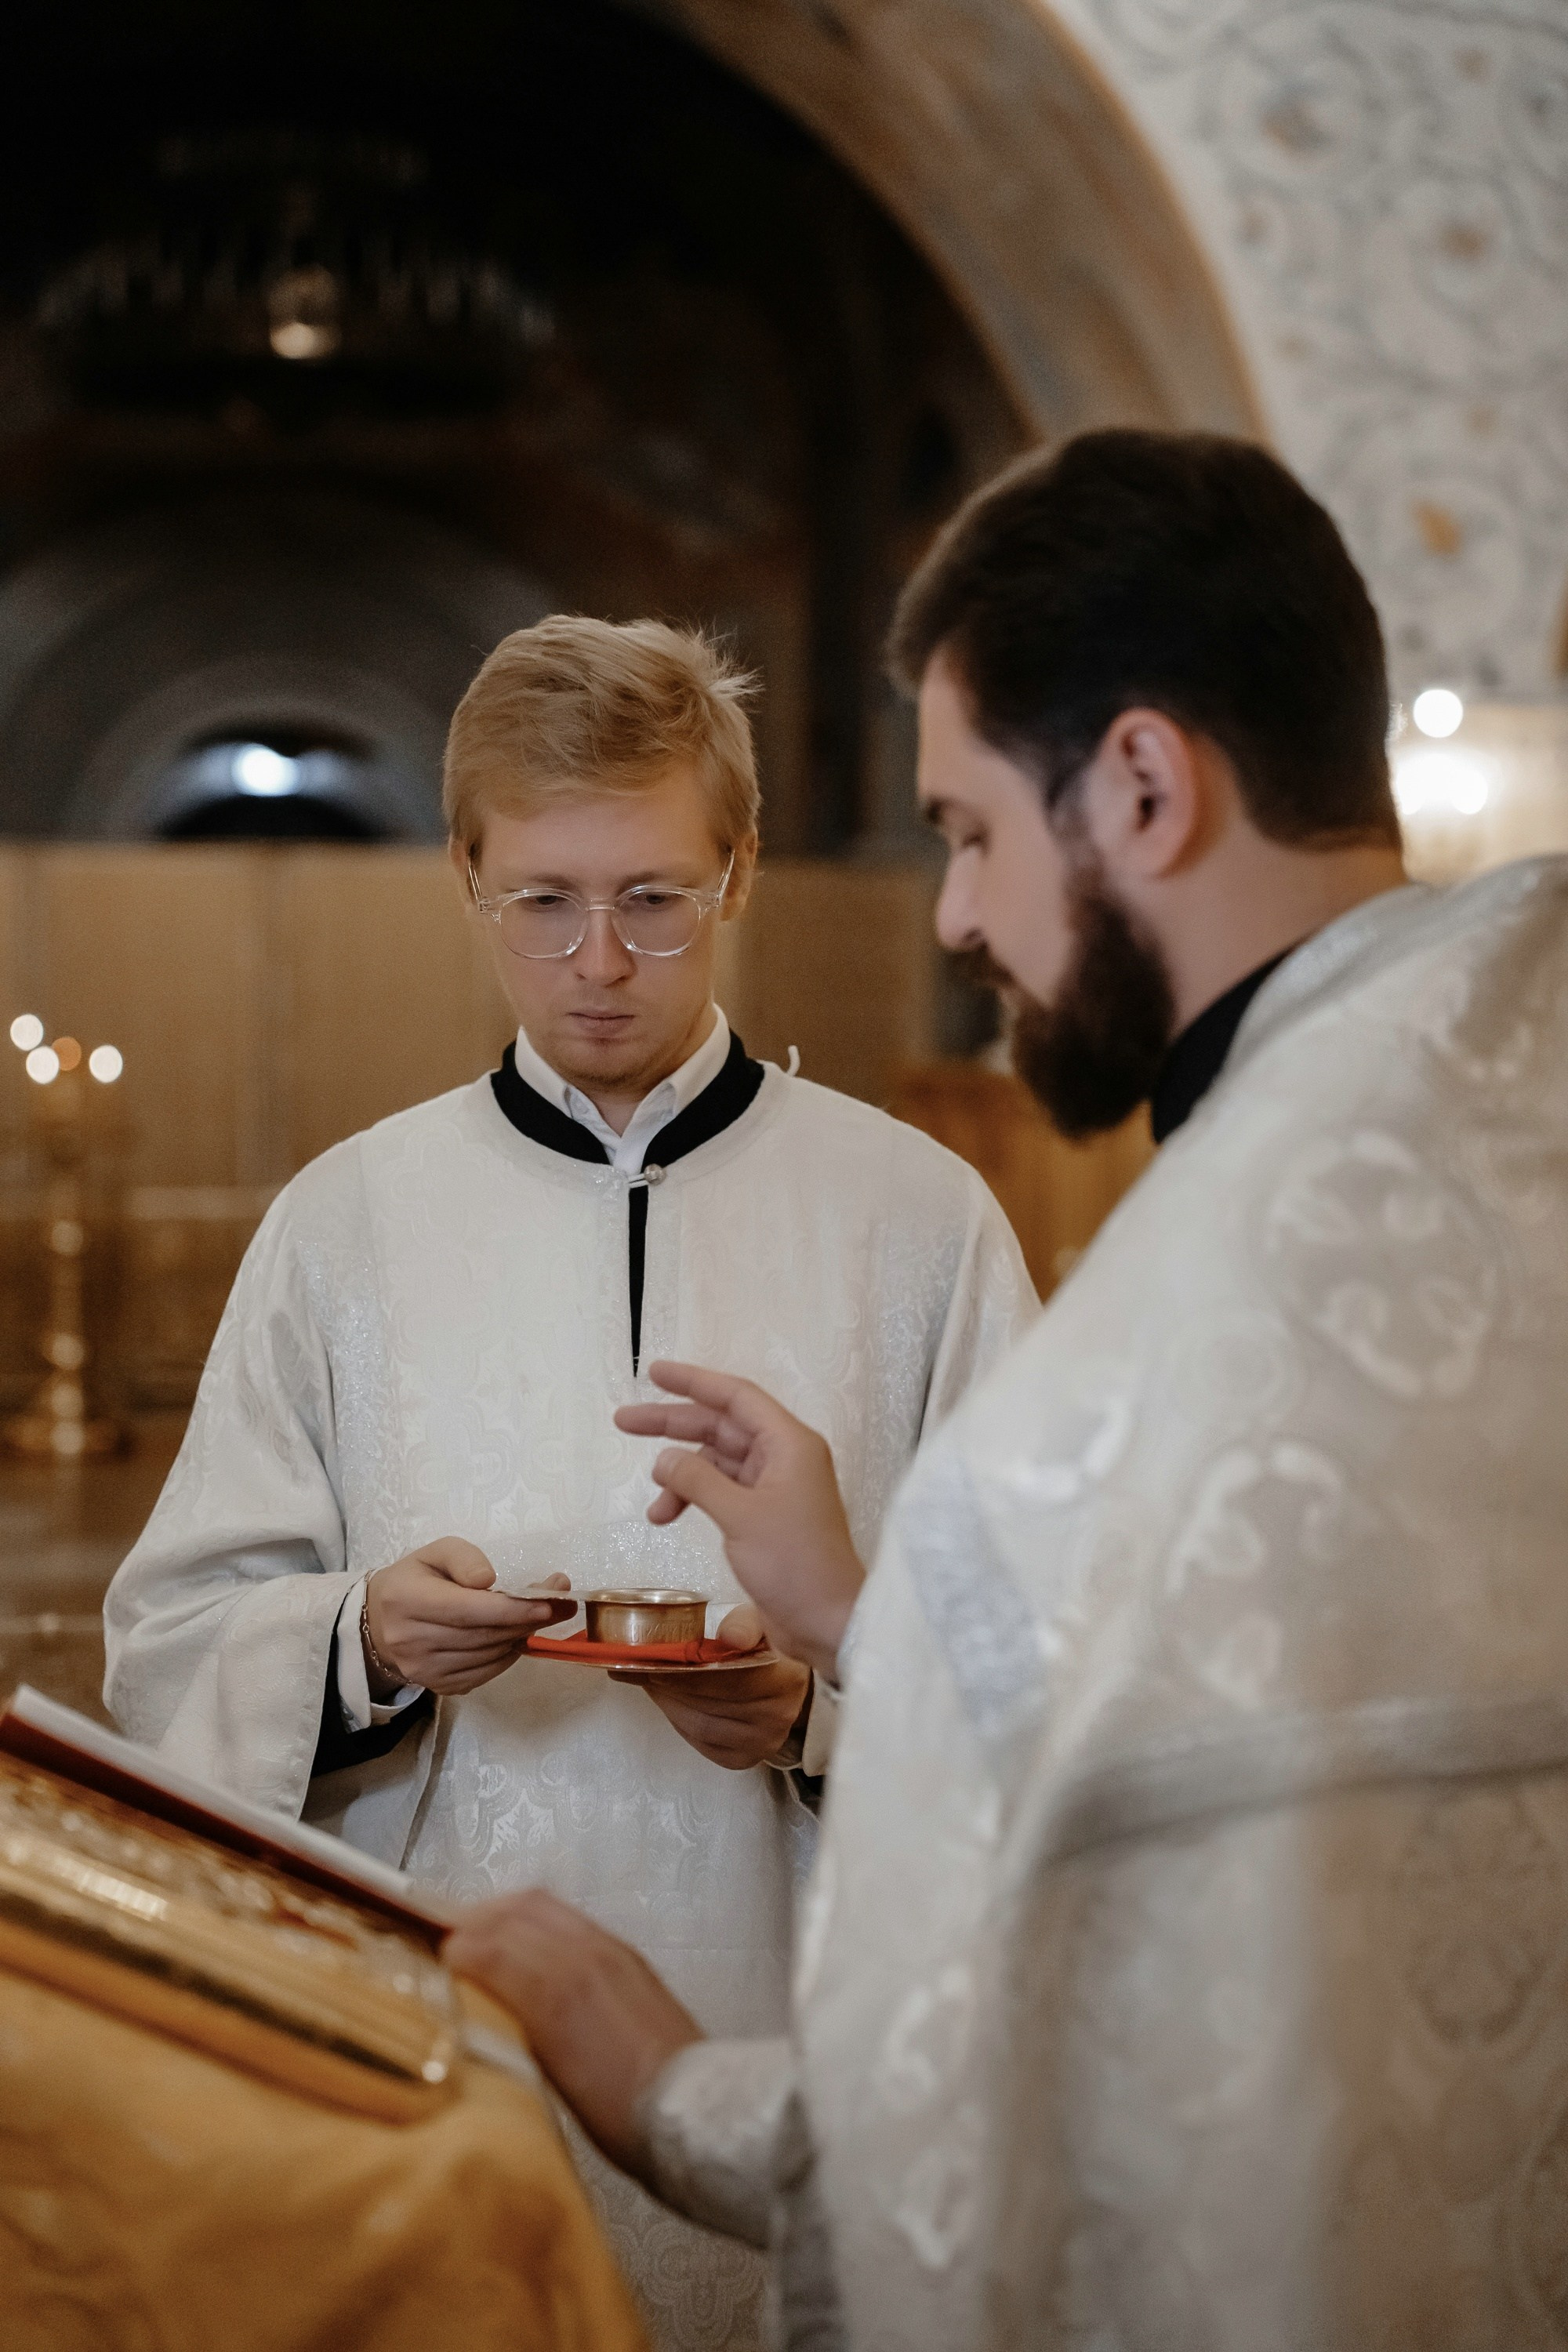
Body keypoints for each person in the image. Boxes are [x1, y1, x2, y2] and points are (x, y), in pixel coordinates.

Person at [448, 433, 1568, 2349]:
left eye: (966, 829)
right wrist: (858, 1608)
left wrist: (660, 2087)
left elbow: (1018, 2123)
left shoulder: (1128, 1380)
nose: (955, 918)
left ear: (1138, 783)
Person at [103, 615, 1035, 2349]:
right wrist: (359, 1643)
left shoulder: (922, 1224)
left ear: (740, 869)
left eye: (654, 897)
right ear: (464, 871)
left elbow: (1054, 1673)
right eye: (539, 899)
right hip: (436, 2041)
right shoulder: (343, 1224)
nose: (597, 959)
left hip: (806, 2025)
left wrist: (819, 1709)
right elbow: (167, 1644)